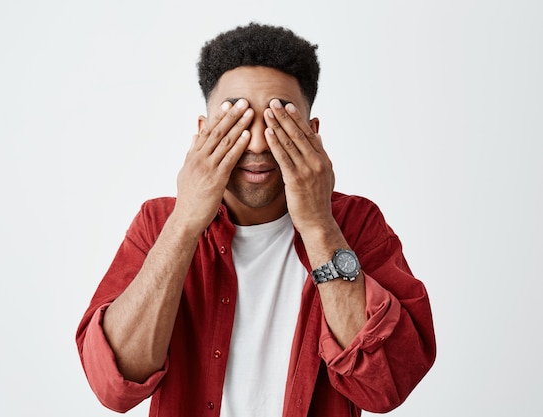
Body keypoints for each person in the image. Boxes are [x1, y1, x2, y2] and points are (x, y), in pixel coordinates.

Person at [75, 22, 436, 417]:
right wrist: (183, 225)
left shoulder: (354, 223)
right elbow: (114, 383)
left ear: (312, 135)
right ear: (203, 133)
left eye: (281, 120)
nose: (260, 143)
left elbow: (388, 384)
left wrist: (318, 225)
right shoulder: (159, 222)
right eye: (237, 120)